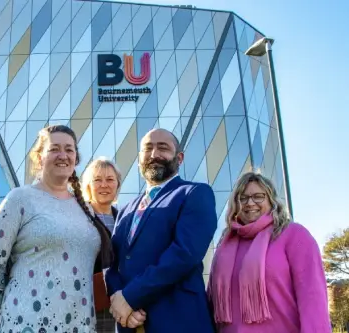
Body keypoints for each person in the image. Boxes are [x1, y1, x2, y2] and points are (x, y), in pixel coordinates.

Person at [0, 125, 113, 333]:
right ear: (39, 157)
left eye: (69, 149)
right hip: (26, 323)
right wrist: (5, 314)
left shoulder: (86, 208)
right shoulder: (19, 199)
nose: (63, 155)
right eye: (54, 149)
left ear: (76, 159)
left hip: (80, 325)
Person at [105, 128, 217, 332]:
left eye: (163, 148)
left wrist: (130, 298)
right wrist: (120, 302)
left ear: (179, 158)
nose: (154, 154)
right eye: (147, 149)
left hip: (179, 321)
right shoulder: (125, 210)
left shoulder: (195, 194)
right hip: (131, 323)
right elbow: (114, 265)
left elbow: (184, 254)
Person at [207, 172, 331, 333]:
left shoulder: (294, 235)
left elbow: (313, 297)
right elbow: (211, 300)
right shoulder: (225, 243)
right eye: (242, 198)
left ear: (271, 200)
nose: (250, 203)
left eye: (258, 196)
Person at [81, 157, 128, 332]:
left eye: (109, 180)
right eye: (97, 180)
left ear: (117, 185)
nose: (104, 185)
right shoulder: (79, 216)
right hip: (89, 302)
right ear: (88, 186)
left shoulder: (124, 218)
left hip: (121, 301)